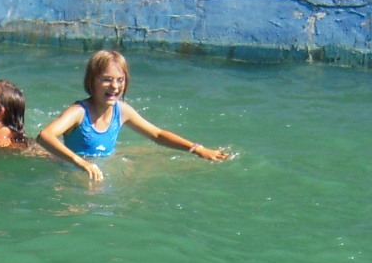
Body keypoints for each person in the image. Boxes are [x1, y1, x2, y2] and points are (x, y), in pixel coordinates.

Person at [36, 50, 229, 181]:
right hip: (71, 170)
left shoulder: (122, 110)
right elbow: (45, 136)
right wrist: (79, 162)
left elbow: (157, 135)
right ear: (91, 81)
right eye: (107, 80)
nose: (115, 86)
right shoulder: (79, 112)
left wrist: (197, 149)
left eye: (120, 80)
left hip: (102, 163)